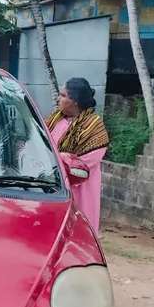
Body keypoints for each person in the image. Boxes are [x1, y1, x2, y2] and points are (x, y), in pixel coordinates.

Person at [45, 78, 109, 233]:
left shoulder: (93, 125)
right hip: (52, 181)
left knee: (78, 228)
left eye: (63, 95)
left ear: (75, 101)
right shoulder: (55, 119)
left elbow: (90, 158)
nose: (58, 99)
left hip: (80, 185)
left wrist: (58, 162)